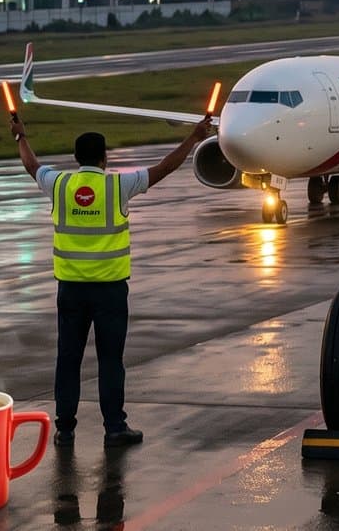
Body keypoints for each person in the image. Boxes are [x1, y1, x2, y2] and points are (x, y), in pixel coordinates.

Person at [12, 114, 212, 447]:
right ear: (104, 157)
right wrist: (193, 138)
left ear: (76, 159)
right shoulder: (118, 185)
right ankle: (115, 427)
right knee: (110, 360)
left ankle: (64, 429)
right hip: (110, 292)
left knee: (68, 359)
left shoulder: (59, 184)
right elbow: (164, 168)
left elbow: (31, 165)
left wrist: (20, 137)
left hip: (71, 290)